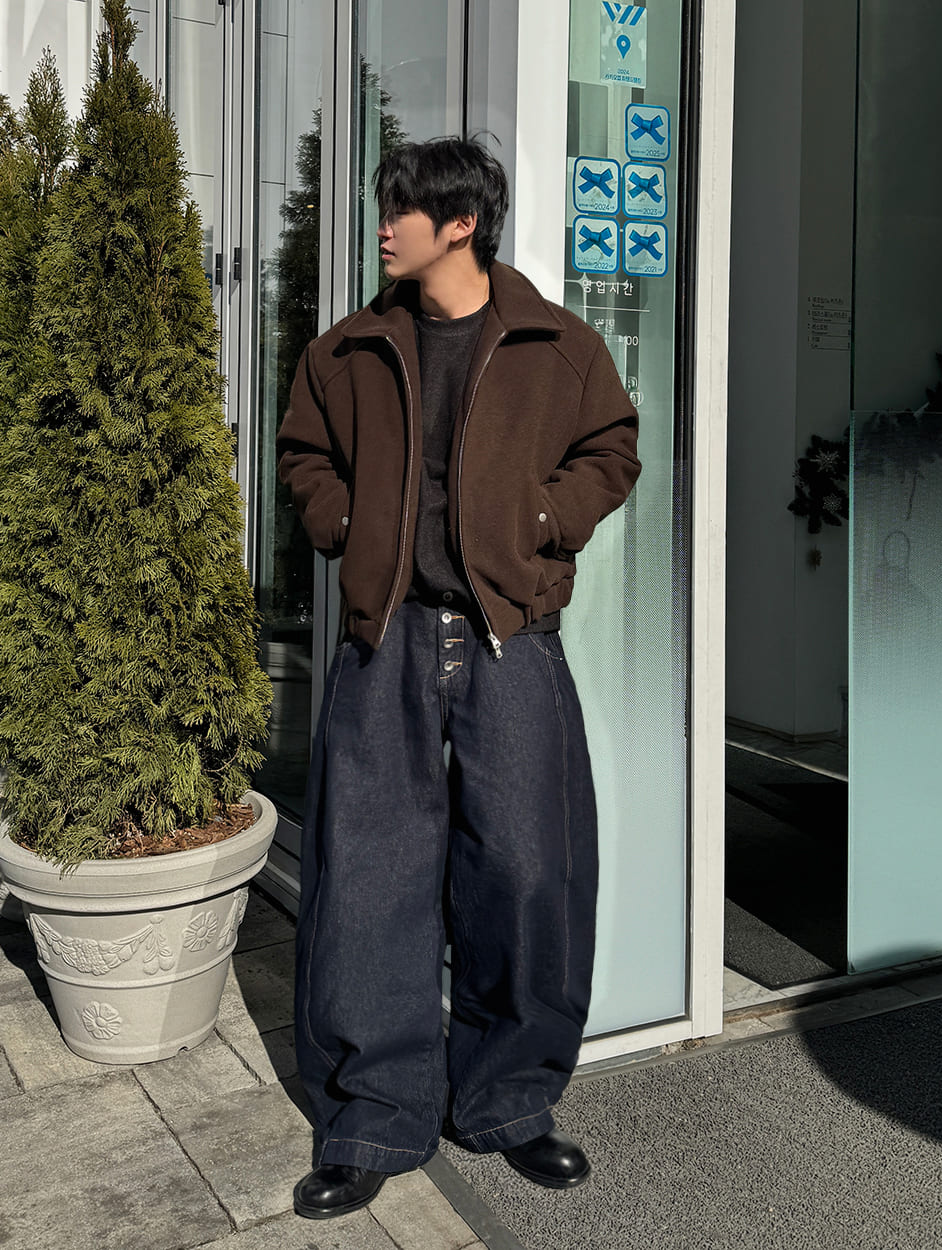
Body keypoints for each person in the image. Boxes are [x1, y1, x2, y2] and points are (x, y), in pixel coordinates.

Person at [277, 136, 640, 1221]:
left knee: (527, 871)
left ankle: (508, 1102)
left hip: (508, 637)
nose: (383, 226)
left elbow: (612, 449)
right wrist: (343, 525)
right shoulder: (349, 349)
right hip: (386, 636)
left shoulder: (556, 345)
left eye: (400, 209)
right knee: (367, 880)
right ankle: (371, 1118)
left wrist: (543, 518)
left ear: (461, 224)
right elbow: (304, 455)